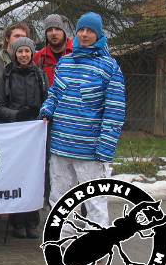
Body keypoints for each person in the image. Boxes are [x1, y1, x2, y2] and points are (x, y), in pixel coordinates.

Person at [39, 12, 125, 241]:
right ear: (75, 32)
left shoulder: (110, 67)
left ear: (98, 34)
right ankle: (63, 237)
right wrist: (47, 110)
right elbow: (54, 95)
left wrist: (106, 147)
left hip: (90, 149)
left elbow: (115, 111)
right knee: (60, 197)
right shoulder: (65, 63)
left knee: (94, 199)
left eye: (90, 31)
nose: (85, 34)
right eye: (81, 30)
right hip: (60, 146)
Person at [0, 37, 48, 239]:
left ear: (32, 52)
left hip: (35, 134)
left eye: (27, 51)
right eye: (20, 52)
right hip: (15, 132)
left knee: (33, 176)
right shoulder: (7, 75)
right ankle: (16, 220)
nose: (24, 55)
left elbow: (47, 100)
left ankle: (32, 220)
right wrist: (16, 115)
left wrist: (42, 115)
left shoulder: (40, 75)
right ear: (14, 53)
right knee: (16, 176)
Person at [33, 14, 73, 86]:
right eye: (50, 30)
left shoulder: (76, 52)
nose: (53, 33)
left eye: (57, 29)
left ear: (64, 32)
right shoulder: (39, 57)